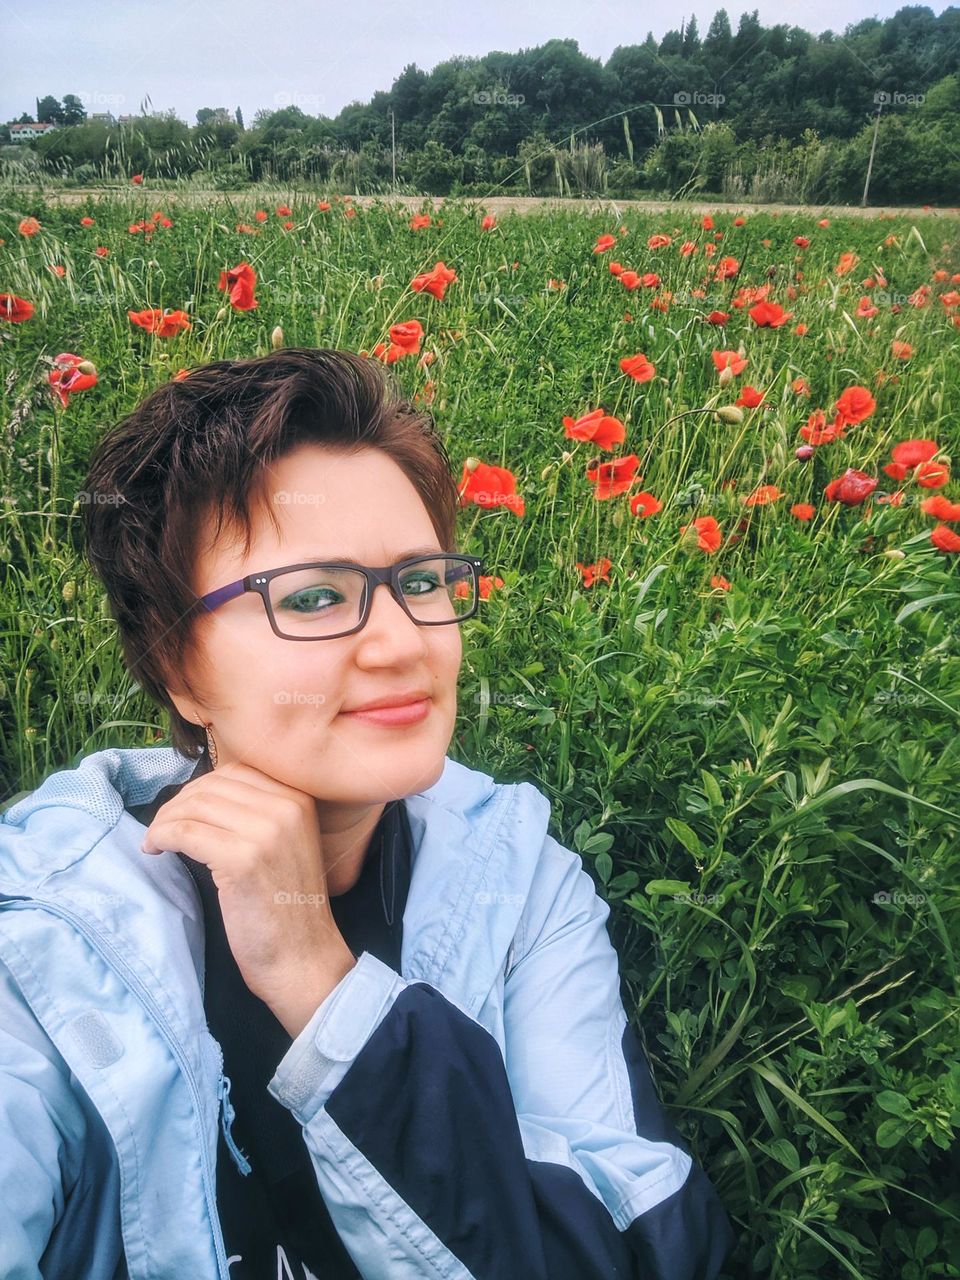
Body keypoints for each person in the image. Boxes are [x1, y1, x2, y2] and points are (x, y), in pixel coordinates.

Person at [0, 349, 736, 1279]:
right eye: (313, 597)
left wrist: (322, 984)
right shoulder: (45, 929)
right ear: (177, 668)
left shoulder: (517, 882)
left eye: (422, 581)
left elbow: (644, 1252)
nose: (402, 643)